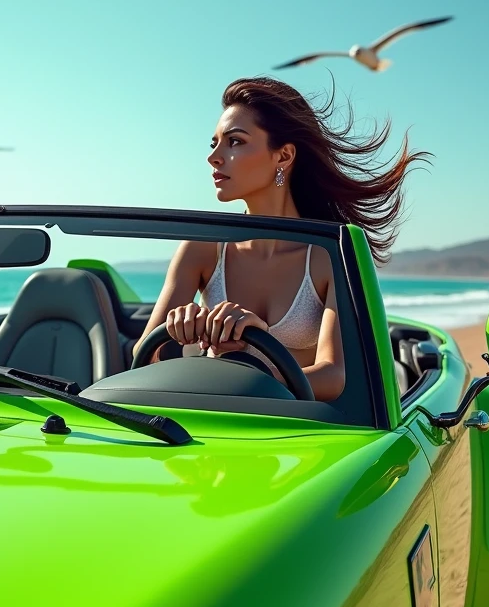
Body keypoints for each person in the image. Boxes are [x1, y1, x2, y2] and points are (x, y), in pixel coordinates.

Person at [138, 76, 428, 401]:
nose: (214, 157)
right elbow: (144, 356)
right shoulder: (202, 249)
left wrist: (258, 368)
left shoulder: (329, 256)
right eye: (214, 143)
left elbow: (334, 375)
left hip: (299, 434)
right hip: (213, 425)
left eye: (235, 141)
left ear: (283, 157)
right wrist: (180, 328)